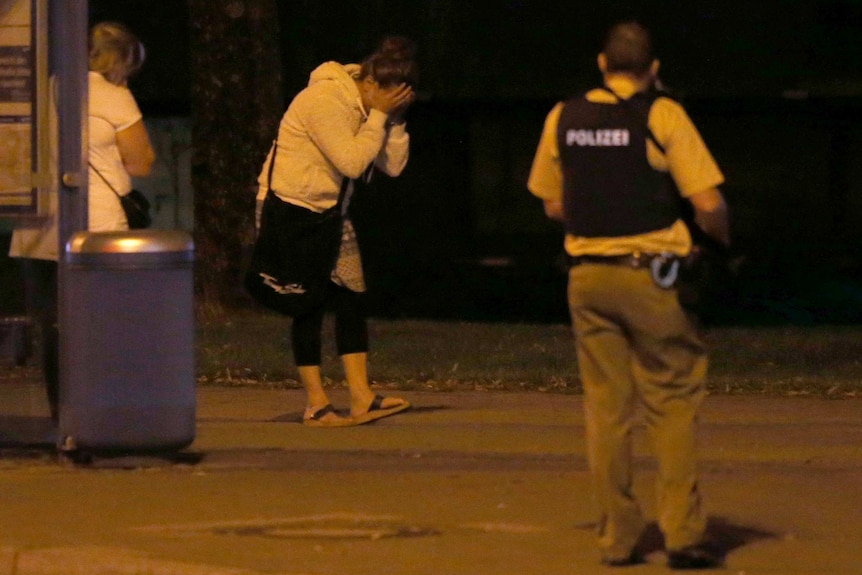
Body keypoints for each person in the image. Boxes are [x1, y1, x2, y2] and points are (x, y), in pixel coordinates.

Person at [527, 21, 730, 569]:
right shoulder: (662, 114)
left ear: (601, 63)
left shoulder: (563, 116)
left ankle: (618, 538)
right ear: (654, 70)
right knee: (671, 402)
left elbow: (550, 203)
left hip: (587, 277)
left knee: (606, 410)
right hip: (652, 277)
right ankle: (683, 535)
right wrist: (721, 243)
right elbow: (707, 202)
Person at [255, 36, 418, 427]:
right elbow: (350, 161)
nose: (390, 104)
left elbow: (392, 167)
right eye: (388, 97)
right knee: (308, 303)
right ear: (368, 83)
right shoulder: (324, 101)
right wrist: (379, 117)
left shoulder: (373, 107)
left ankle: (361, 397)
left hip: (330, 212)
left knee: (350, 295)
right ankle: (317, 405)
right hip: (291, 209)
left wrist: (392, 120)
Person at [8, 21, 155, 421]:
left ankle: (64, 415)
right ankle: (105, 411)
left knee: (55, 328)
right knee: (104, 323)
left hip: (39, 227)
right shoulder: (115, 96)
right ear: (120, 58)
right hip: (99, 225)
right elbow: (141, 161)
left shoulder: (51, 88)